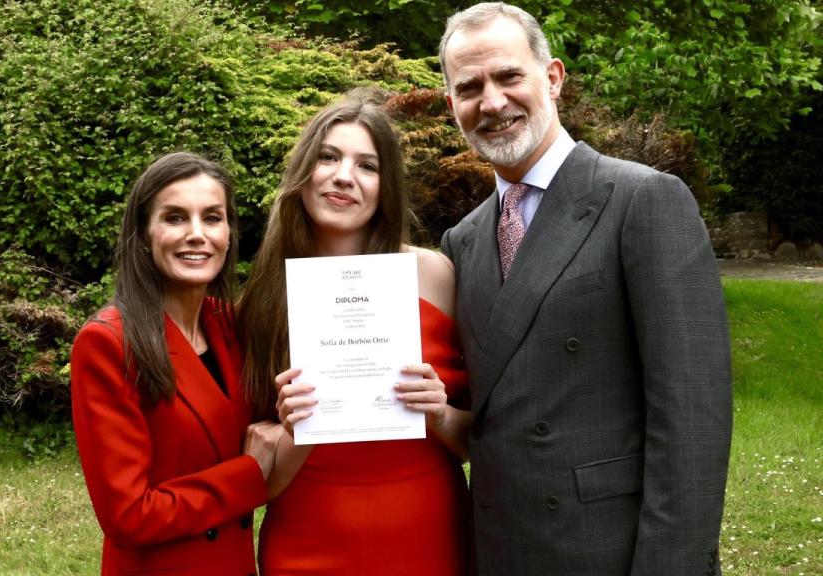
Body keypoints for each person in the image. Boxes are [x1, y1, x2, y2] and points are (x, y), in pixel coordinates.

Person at [438, 4, 733, 575]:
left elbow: (693, 418)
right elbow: (483, 417)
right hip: (501, 551)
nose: (492, 102)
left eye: (508, 76)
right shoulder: (463, 241)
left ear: (552, 78)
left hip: (610, 551)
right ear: (453, 107)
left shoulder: (643, 200)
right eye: (470, 87)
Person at [237, 90, 473, 576]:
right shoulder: (262, 299)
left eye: (367, 165)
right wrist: (294, 427)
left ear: (386, 186)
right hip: (306, 542)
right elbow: (265, 484)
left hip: (428, 534)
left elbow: (484, 440)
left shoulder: (435, 275)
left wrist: (440, 415)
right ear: (304, 170)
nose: (344, 176)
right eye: (328, 157)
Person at [70, 151, 283, 576]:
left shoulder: (230, 325)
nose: (197, 234)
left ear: (228, 233)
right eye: (174, 218)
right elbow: (129, 516)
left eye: (212, 217)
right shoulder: (107, 343)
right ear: (144, 234)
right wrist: (249, 473)